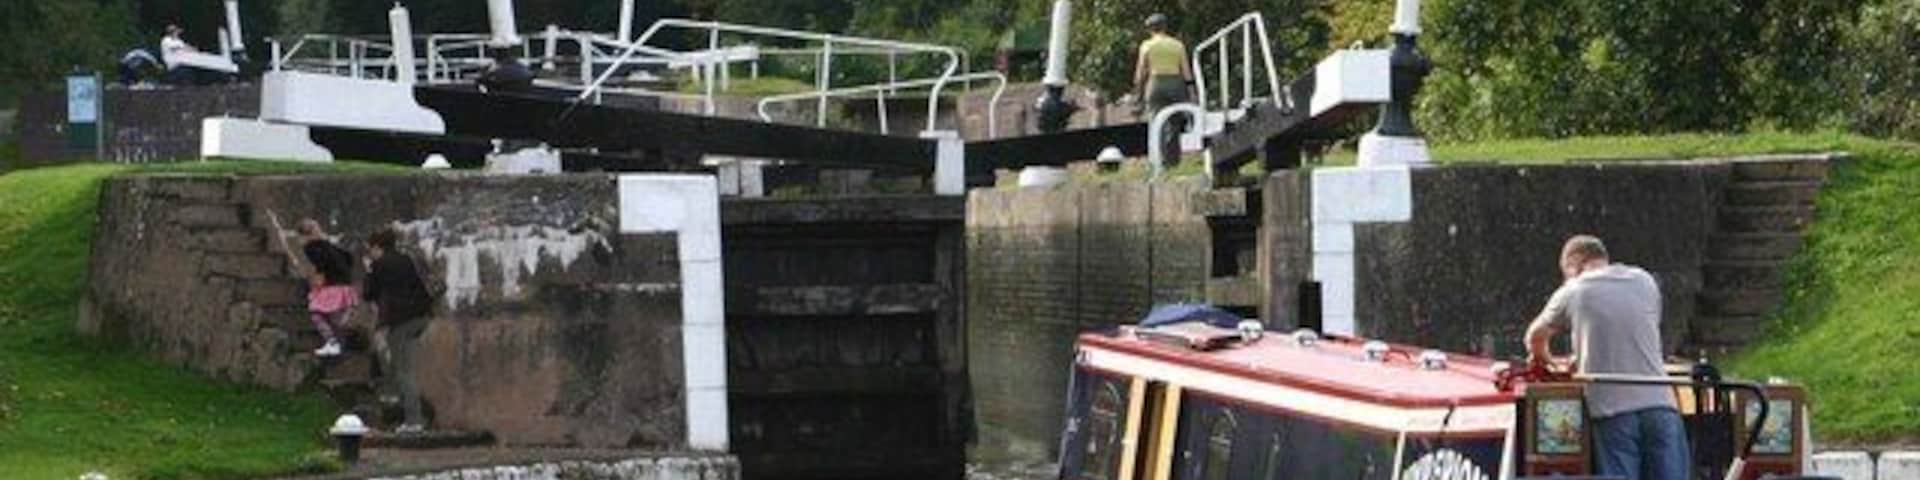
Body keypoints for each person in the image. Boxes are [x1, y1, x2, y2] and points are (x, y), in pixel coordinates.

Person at [1525, 235, 1687, 480]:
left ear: (1574, 265)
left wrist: (1549, 360)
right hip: (1660, 404)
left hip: (1614, 410)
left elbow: (1535, 338)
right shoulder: (1645, 281)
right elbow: (1632, 331)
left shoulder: (1574, 289)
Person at [361, 228, 436, 434]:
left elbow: (368, 294)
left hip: (401, 320)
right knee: (401, 365)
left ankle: (413, 420)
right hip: (422, 316)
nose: (369, 254)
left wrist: (369, 270)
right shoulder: (406, 259)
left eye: (370, 249)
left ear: (378, 247)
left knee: (404, 370)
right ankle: (396, 401)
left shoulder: (380, 265)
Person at [270, 214, 357, 357]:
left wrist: (318, 284)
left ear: (304, 235)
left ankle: (333, 343)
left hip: (333, 287)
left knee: (317, 313)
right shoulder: (329, 245)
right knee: (334, 319)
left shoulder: (312, 247)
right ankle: (339, 345)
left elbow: (321, 266)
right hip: (346, 287)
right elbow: (348, 258)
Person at [1132, 14, 1193, 165]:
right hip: (1175, 82)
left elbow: (1140, 72)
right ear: (1165, 27)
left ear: (1150, 29)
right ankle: (1173, 161)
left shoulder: (1146, 45)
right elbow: (1186, 69)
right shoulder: (1177, 45)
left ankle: (1158, 161)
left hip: (1156, 82)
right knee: (1174, 123)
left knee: (1156, 121)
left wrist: (1138, 94)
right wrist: (1191, 90)